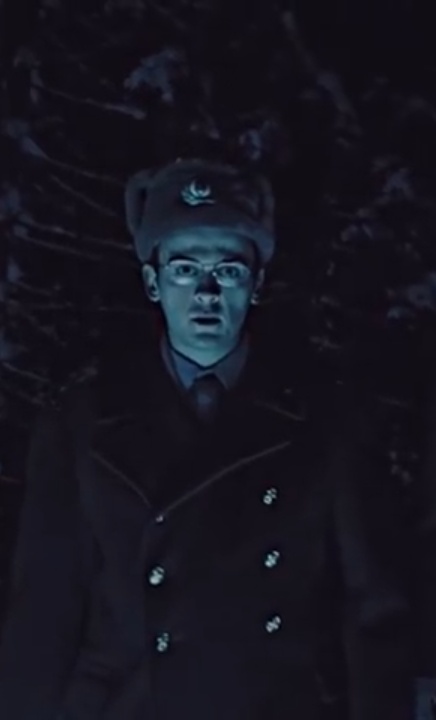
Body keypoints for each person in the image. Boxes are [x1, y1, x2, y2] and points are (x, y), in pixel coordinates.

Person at [0, 157, 413, 719]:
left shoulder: (324, 418)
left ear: (257, 284)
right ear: (152, 282)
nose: (207, 292)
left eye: (229, 271)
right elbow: (43, 614)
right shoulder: (83, 420)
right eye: (185, 269)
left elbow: (374, 609)